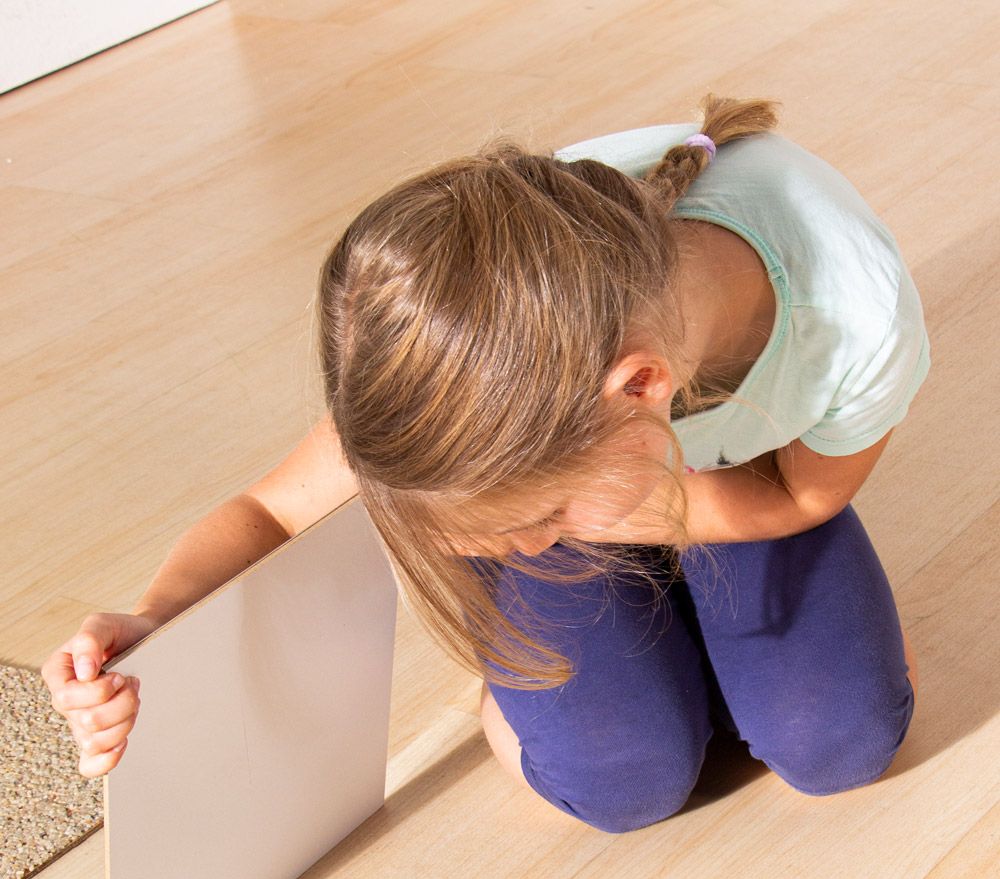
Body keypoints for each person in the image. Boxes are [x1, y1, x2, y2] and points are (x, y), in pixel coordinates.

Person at [42, 91, 928, 832]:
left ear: (642, 386)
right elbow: (271, 512)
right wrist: (155, 619)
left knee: (838, 745)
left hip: (748, 482)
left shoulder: (856, 313)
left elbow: (800, 495)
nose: (532, 545)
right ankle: (555, 643)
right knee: (621, 783)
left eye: (537, 521)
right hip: (592, 461)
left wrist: (637, 515)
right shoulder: (477, 358)